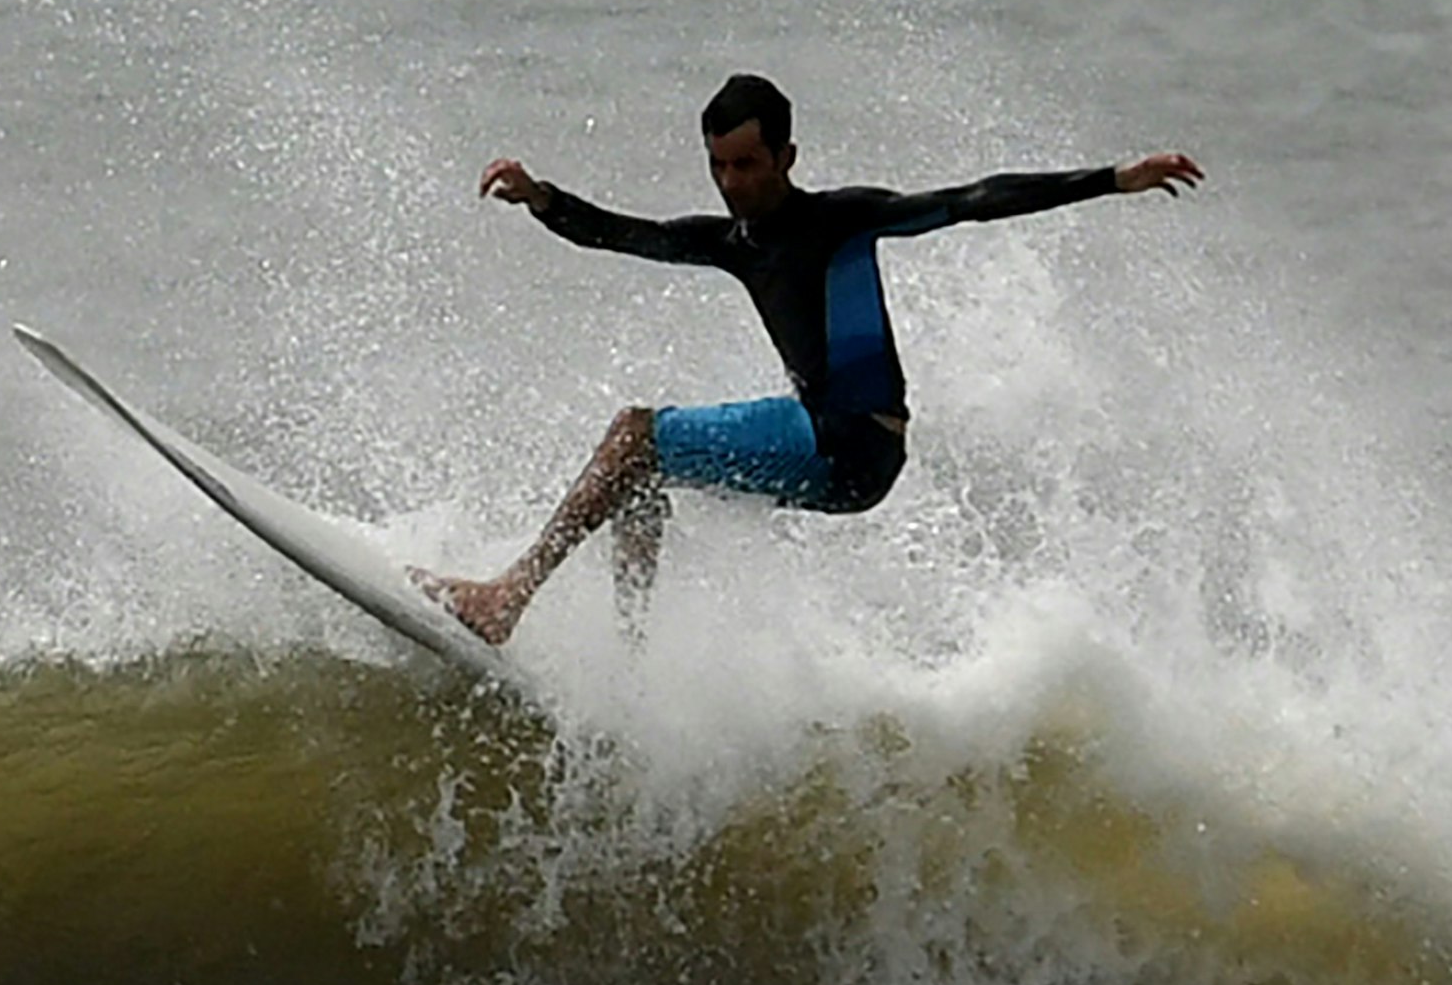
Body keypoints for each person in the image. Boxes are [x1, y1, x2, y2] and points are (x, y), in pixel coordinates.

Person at [429, 73, 1202, 644]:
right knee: (636, 471)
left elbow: (975, 198)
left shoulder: (840, 221)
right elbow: (624, 234)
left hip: (856, 451)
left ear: (786, 155)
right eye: (720, 167)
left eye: (748, 165)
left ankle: (508, 598)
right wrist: (540, 199)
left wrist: (1111, 181)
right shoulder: (732, 245)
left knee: (634, 434)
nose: (733, 183)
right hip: (814, 429)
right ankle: (632, 661)